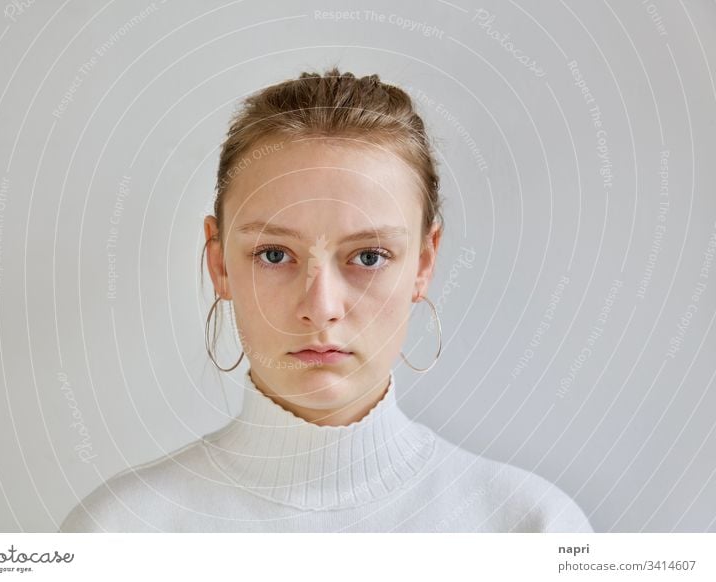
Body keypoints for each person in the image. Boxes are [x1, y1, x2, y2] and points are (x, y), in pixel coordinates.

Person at [58, 67, 594, 533]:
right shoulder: (118, 534)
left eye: (368, 256)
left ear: (423, 263)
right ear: (219, 262)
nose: (321, 307)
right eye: (273, 254)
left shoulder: (531, 528)